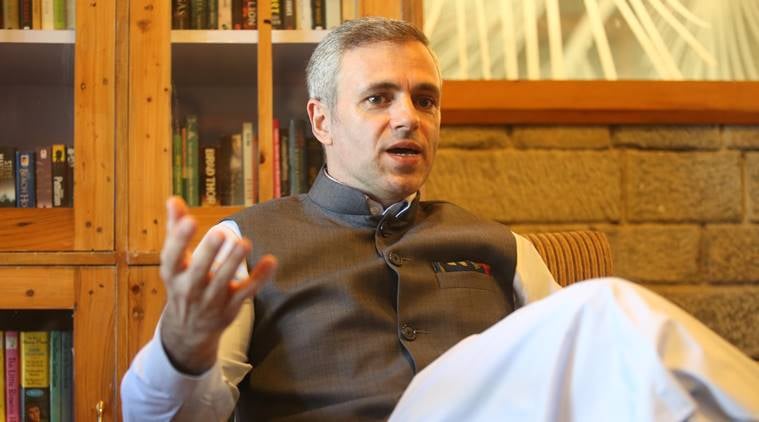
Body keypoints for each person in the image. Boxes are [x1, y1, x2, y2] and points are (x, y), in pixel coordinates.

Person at [121, 17, 759, 421]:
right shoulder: (242, 242)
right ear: (321, 121)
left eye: (425, 100)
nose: (408, 117)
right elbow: (161, 417)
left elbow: (585, 367)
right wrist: (182, 347)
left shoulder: (501, 244)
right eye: (378, 98)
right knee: (606, 306)